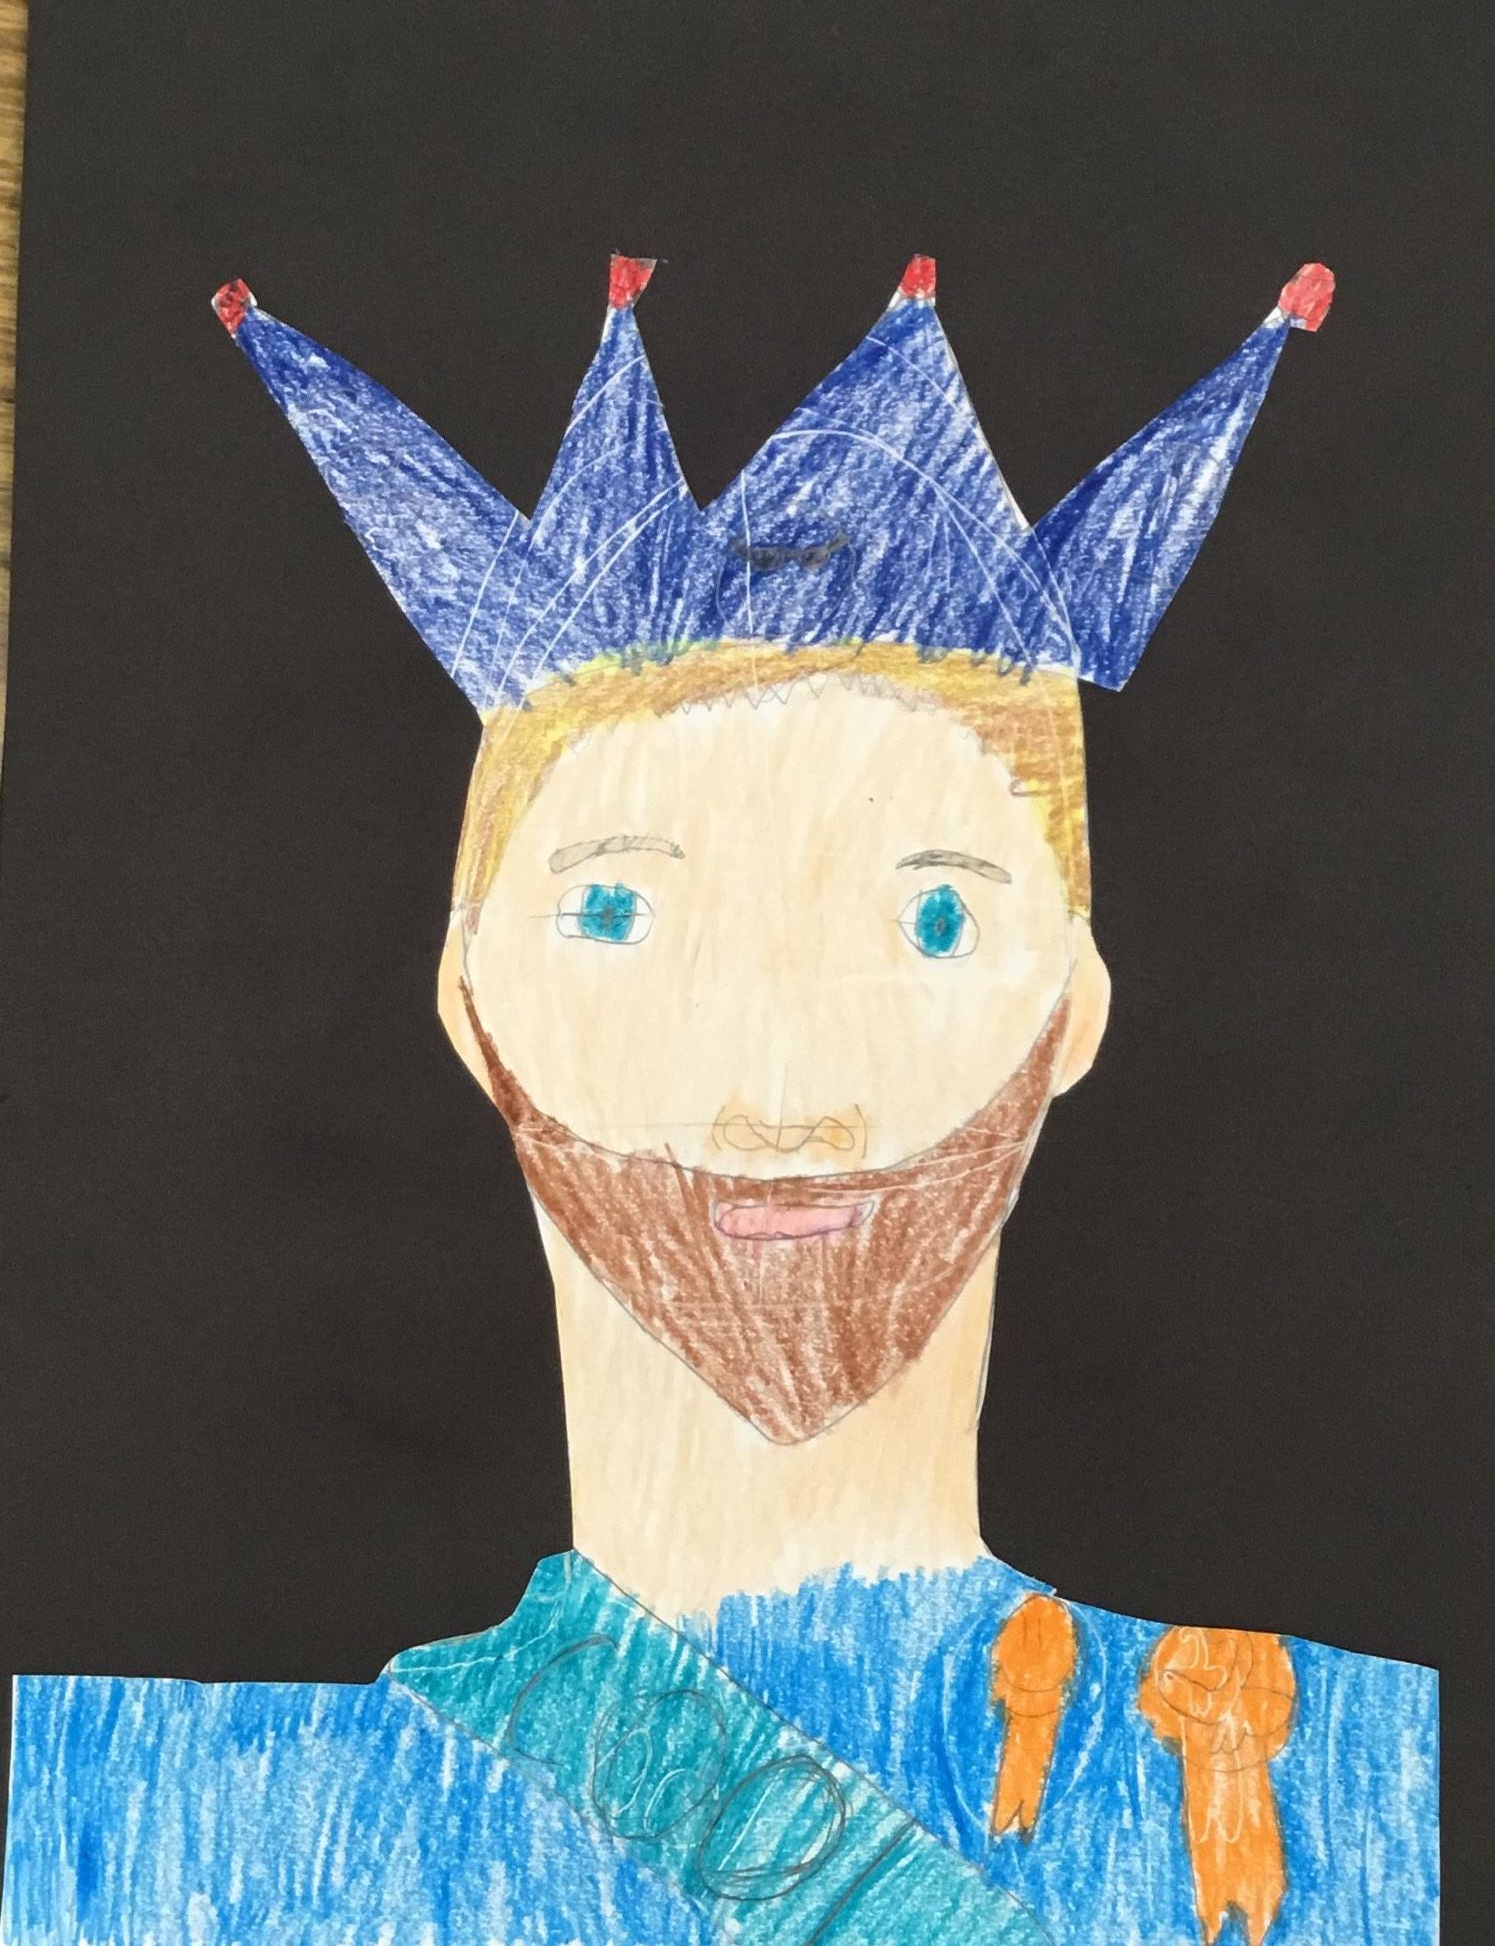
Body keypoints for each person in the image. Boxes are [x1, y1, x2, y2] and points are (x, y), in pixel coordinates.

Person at [1, 256, 1436, 1946]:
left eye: (935, 918)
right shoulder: (130, 1829)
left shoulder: (1339, 1793)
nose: (780, 1095)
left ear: (1076, 1004)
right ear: (469, 999)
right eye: (618, 910)